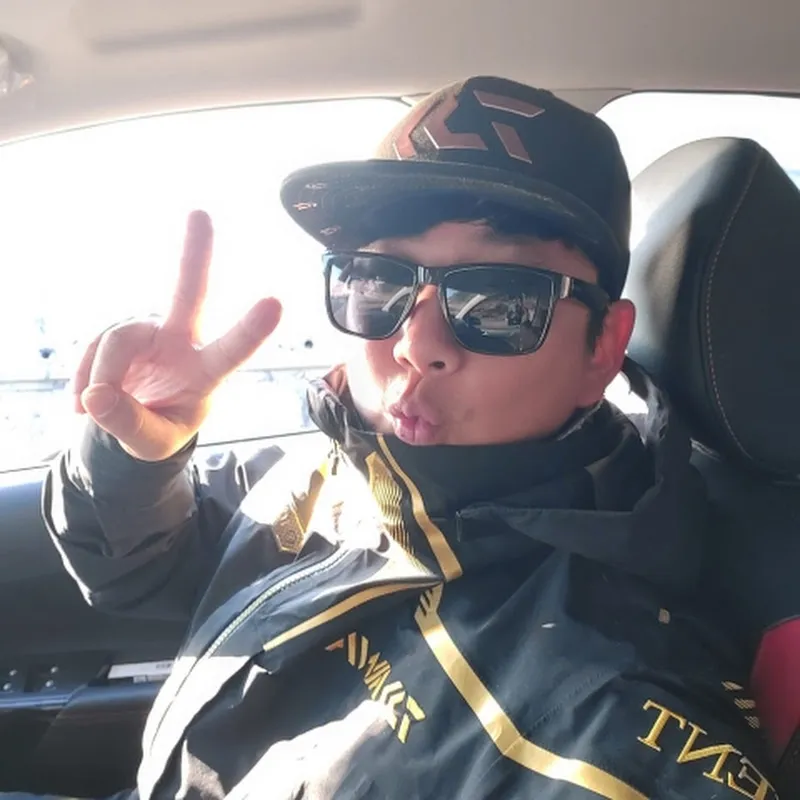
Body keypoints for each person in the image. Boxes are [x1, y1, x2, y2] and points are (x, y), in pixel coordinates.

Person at [38, 76, 778, 799]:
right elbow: (137, 573)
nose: (416, 345)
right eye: (378, 281)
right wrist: (136, 461)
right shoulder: (336, 464)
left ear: (602, 350)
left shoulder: (605, 725)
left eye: (499, 301)